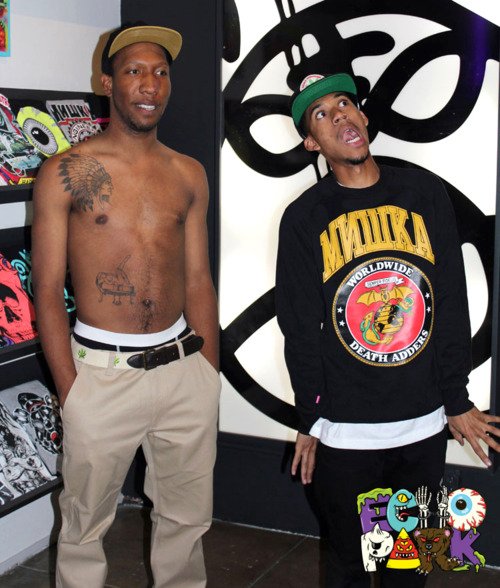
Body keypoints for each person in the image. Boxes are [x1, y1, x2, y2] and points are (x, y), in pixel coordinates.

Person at [275, 72, 500, 587]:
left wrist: (456, 397)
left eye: (344, 103)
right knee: (349, 567)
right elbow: (300, 326)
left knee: (409, 565)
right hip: (345, 432)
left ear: (362, 116)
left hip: (422, 426)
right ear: (312, 142)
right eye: (321, 114)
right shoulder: (304, 217)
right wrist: (311, 417)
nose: (340, 115)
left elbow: (450, 300)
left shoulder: (423, 193)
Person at [32, 22, 221, 588]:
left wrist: (207, 374)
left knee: (187, 522)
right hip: (101, 376)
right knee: (84, 526)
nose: (149, 84)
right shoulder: (64, 173)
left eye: (160, 73)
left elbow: (198, 279)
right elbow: (46, 290)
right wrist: (72, 389)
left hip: (183, 371)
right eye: (134, 70)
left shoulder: (188, 173)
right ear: (107, 83)